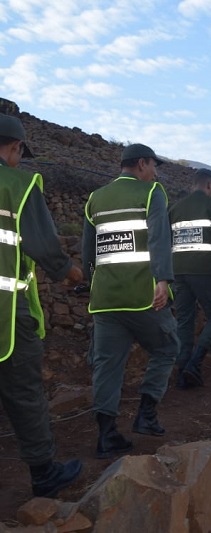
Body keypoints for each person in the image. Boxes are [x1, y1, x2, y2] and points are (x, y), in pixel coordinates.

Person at [0, 114, 83, 497]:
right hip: (7, 316)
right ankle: (44, 472)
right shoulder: (18, 184)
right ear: (14, 147)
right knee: (24, 392)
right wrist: (71, 273)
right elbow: (46, 246)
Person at [83, 143, 179, 458]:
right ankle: (146, 416)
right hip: (143, 296)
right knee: (167, 347)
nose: (156, 172)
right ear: (141, 164)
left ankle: (106, 437)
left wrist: (90, 284)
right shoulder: (152, 193)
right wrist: (162, 280)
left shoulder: (96, 198)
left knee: (107, 365)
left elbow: (89, 253)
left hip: (105, 300)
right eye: (154, 165)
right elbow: (159, 239)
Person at [170, 168, 211, 389]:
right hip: (205, 271)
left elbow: (168, 242)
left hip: (178, 272)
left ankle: (181, 374)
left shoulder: (175, 208)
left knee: (184, 321)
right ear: (209, 185)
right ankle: (194, 365)